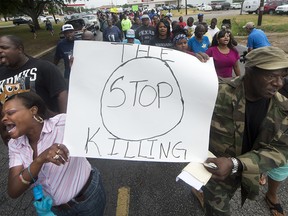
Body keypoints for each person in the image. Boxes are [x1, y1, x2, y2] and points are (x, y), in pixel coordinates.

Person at [200, 46, 288, 216]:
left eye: (282, 77)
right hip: (215, 173)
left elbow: (282, 150)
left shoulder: (284, 109)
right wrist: (189, 66)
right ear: (250, 70)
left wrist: (235, 164)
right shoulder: (216, 91)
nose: (279, 83)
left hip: (249, 172)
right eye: (271, 76)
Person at [1, 91, 106, 215]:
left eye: (10, 113)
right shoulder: (15, 144)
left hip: (87, 200)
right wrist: (40, 160)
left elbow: (99, 120)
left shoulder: (62, 123)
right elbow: (14, 190)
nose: (4, 118)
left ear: (33, 111)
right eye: (3, 115)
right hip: (55, 210)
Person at [0, 35, 68, 145]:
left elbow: (61, 95)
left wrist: (64, 126)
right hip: (19, 141)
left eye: (4, 47)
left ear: (19, 49)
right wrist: (3, 132)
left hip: (48, 134)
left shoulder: (43, 67)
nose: (0, 51)